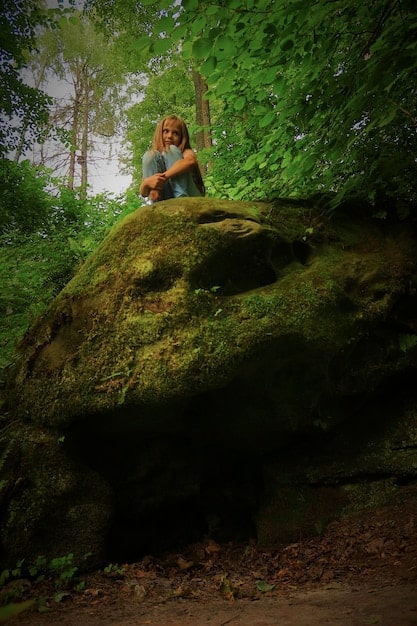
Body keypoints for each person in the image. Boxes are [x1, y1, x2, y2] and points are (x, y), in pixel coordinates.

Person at [139, 115, 205, 203]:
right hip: (167, 198)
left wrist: (162, 178)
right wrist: (147, 183)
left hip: (189, 196)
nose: (170, 136)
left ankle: (181, 198)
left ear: (182, 138)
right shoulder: (156, 160)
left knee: (171, 150)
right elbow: (144, 193)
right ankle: (157, 202)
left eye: (175, 133)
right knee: (149, 155)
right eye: (165, 131)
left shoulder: (185, 152)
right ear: (159, 133)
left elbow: (190, 162)